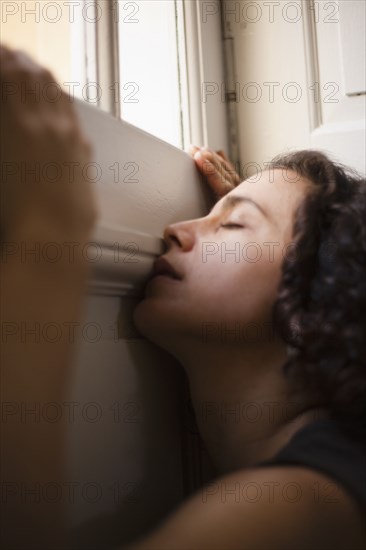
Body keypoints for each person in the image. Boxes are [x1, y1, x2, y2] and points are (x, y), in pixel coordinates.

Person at [1, 44, 365, 549]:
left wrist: (49, 230)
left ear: (311, 301)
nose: (175, 230)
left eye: (232, 223)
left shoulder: (302, 505)